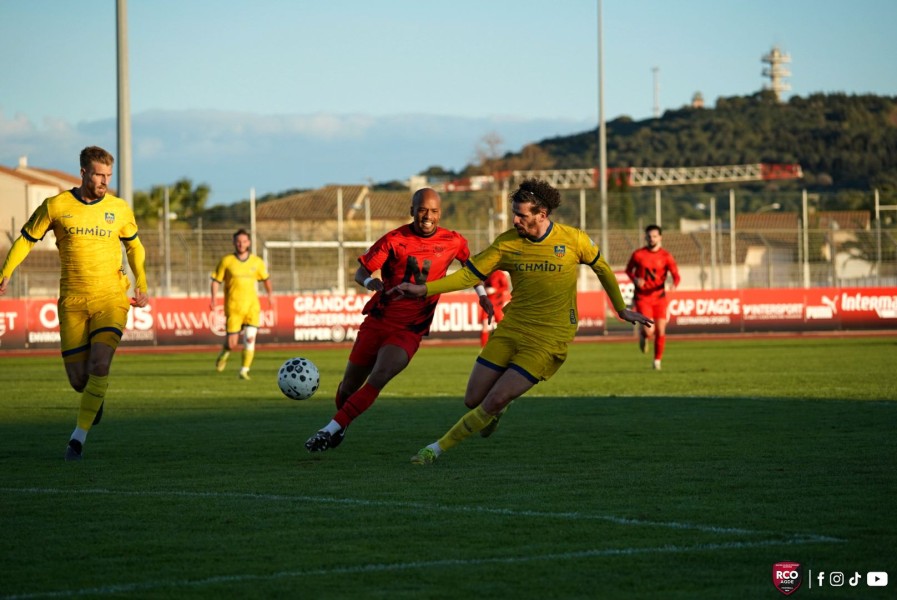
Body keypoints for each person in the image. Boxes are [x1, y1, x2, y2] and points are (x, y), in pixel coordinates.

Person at [392, 178, 653, 465]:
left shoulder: (573, 240)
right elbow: (470, 274)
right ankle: (499, 409)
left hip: (548, 340)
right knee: (472, 399)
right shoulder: (507, 243)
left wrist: (620, 308)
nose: (515, 220)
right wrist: (424, 288)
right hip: (512, 329)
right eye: (514, 213)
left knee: (492, 401)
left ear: (542, 215)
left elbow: (601, 267)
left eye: (522, 215)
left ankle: (434, 449)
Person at [304, 187, 493, 452]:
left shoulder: (454, 241)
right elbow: (361, 272)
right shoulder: (394, 239)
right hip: (379, 321)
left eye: (434, 211)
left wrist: (482, 294)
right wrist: (371, 282)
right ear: (412, 211)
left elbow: (471, 268)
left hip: (410, 328)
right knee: (348, 388)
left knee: (379, 377)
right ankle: (342, 422)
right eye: (423, 210)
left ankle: (328, 430)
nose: (428, 216)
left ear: (441, 213)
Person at [0, 146, 149, 461]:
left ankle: (77, 440)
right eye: (98, 174)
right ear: (83, 172)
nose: (104, 181)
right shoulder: (56, 206)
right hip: (72, 302)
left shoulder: (120, 209)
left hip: (111, 296)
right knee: (80, 380)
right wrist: (6, 271)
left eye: (108, 175)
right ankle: (96, 395)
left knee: (100, 364)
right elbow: (27, 239)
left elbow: (135, 247)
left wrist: (142, 283)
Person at [210, 228, 274, 380]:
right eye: (238, 241)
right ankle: (225, 352)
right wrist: (213, 298)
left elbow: (266, 279)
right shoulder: (227, 261)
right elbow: (216, 281)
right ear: (234, 242)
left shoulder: (256, 262)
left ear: (249, 243)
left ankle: (244, 370)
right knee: (232, 343)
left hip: (252, 307)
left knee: (250, 339)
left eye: (244, 241)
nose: (241, 244)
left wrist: (270, 295)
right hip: (233, 307)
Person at [625, 224, 680, 370]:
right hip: (643, 297)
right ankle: (644, 336)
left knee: (661, 330)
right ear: (645, 237)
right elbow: (628, 270)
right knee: (649, 330)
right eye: (649, 236)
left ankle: (657, 361)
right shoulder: (638, 254)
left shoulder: (666, 256)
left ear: (660, 237)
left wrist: (674, 284)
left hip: (660, 298)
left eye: (655, 236)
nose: (652, 239)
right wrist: (635, 279)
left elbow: (676, 275)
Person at [479, 269, 510, 346]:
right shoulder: (487, 274)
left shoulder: (500, 274)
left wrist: (495, 290)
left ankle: (503, 346)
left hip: (497, 304)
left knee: (502, 327)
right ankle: (483, 348)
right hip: (488, 304)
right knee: (485, 325)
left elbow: (506, 288)